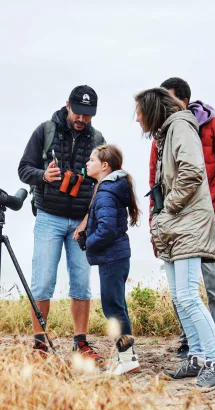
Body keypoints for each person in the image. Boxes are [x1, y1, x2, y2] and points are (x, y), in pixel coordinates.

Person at [136, 87, 215, 389]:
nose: (137, 118)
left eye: (139, 112)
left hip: (186, 222)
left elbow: (192, 171)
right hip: (176, 224)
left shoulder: (180, 126)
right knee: (179, 296)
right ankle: (198, 357)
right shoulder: (168, 132)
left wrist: (170, 207)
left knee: (189, 296)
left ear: (152, 110)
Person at [149, 77, 215, 369]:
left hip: (203, 219)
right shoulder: (161, 135)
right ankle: (192, 343)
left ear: (183, 101)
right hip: (173, 222)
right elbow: (156, 181)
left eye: (168, 101)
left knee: (213, 280)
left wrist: (214, 210)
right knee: (180, 286)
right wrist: (157, 220)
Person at [18, 86, 106, 362]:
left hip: (81, 221)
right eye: (78, 112)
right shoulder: (45, 131)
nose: (82, 118)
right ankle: (40, 344)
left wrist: (90, 218)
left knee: (82, 283)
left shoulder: (98, 138)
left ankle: (81, 343)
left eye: (88, 115)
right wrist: (44, 176)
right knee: (42, 281)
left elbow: (103, 180)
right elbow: (23, 169)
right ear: (67, 105)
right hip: (49, 218)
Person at [83, 144, 141, 375]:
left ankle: (127, 360)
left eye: (92, 159)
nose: (87, 163)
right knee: (117, 306)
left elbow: (106, 229)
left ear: (104, 166)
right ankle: (127, 357)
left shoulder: (106, 191)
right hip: (116, 255)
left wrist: (89, 240)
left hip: (112, 256)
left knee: (113, 309)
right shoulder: (111, 188)